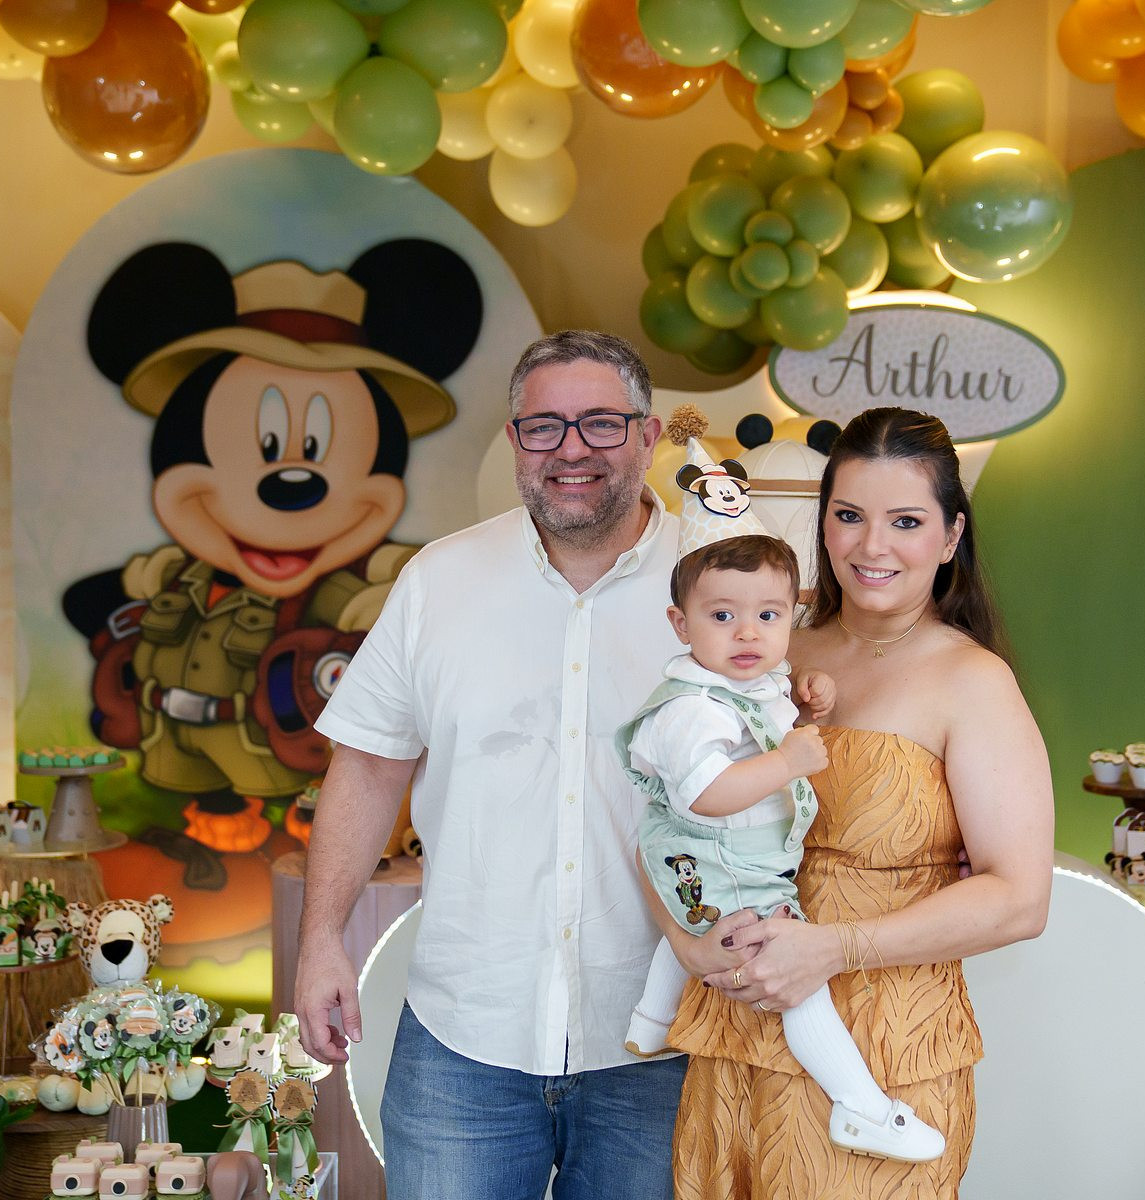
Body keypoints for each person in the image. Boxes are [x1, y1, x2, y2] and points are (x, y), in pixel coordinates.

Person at [292, 330, 754, 1200]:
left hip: (664, 1040)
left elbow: (799, 753)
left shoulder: (725, 590)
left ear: (650, 436)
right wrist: (321, 940)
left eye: (601, 423)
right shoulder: (439, 581)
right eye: (544, 427)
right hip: (463, 1040)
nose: (571, 449)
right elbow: (368, 767)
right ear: (514, 441)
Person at [662, 406, 1055, 1198]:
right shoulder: (767, 653)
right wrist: (687, 942)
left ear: (951, 535)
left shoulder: (972, 681)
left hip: (884, 1057)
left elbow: (1019, 899)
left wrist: (834, 948)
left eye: (905, 521)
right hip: (737, 1035)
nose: (871, 547)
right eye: (848, 516)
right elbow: (666, 810)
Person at [618, 439, 944, 1163]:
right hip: (727, 860)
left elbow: (765, 707)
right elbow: (707, 793)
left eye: (768, 616)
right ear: (681, 624)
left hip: (707, 863)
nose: (748, 633)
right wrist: (787, 760)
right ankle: (861, 1107)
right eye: (723, 617)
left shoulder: (745, 680)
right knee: (800, 988)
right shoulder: (692, 708)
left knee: (702, 925)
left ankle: (650, 1020)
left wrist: (803, 699)